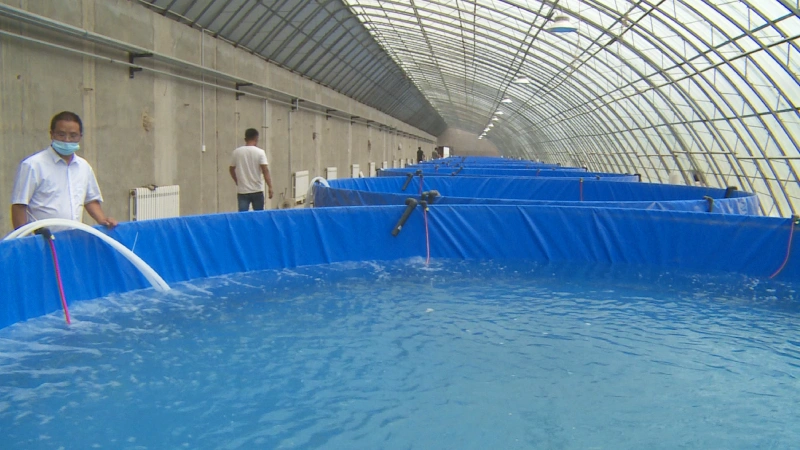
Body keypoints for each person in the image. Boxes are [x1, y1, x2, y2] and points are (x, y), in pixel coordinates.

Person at [11, 111, 117, 230]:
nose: (67, 140)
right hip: (42, 240)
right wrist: (25, 241)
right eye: (61, 134)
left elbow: (90, 200)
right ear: (52, 134)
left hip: (71, 240)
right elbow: (19, 205)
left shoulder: (83, 167)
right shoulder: (33, 165)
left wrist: (103, 220)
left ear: (80, 137)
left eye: (73, 135)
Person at [229, 128, 273, 211]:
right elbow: (265, 170)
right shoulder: (260, 152)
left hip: (243, 190)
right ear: (256, 138)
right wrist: (270, 187)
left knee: (243, 217)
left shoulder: (237, 152)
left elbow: (231, 169)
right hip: (257, 190)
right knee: (258, 215)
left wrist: (237, 181)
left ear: (245, 139)